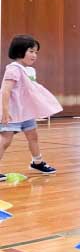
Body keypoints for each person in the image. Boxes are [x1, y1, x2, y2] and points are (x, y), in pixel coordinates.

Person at [0, 35, 62, 181]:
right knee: (5, 140)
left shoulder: (29, 70)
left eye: (36, 52)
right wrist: (5, 111)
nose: (34, 55)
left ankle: (37, 162)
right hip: (13, 113)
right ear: (20, 51)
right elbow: (5, 90)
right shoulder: (13, 69)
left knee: (33, 136)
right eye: (31, 51)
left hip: (26, 113)